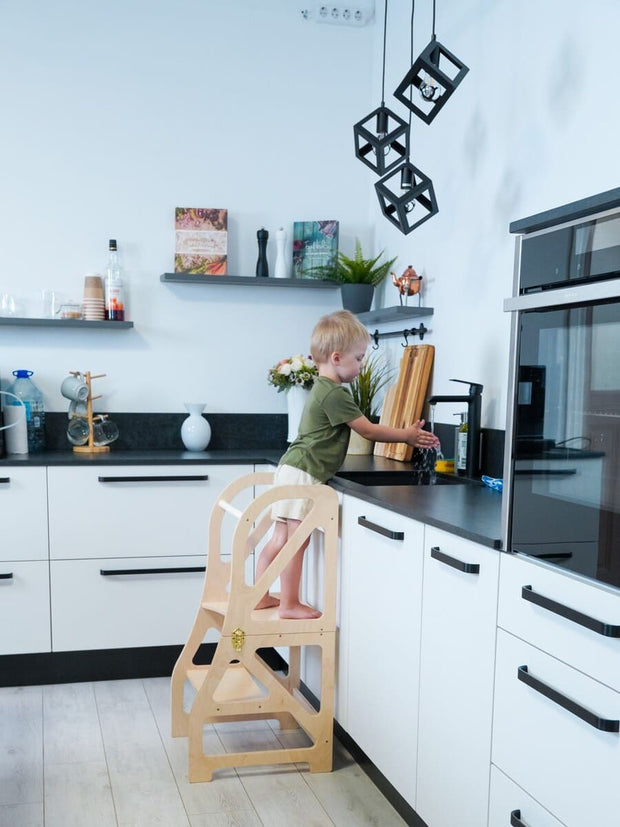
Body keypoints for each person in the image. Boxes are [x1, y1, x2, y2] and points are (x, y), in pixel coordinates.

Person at [255, 309, 440, 619]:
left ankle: (259, 595)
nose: (361, 365)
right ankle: (289, 603)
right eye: (359, 358)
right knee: (296, 543)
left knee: (280, 538)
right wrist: (406, 435)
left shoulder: (320, 388)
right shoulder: (336, 394)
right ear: (337, 358)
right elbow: (367, 429)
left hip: (292, 467)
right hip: (305, 472)